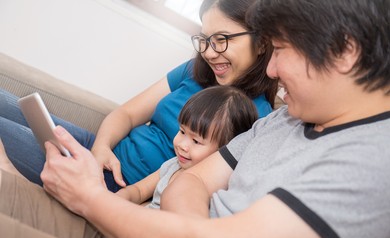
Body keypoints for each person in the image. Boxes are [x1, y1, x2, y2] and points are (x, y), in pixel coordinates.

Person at [1, 0, 389, 238]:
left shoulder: (372, 164)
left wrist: (91, 197)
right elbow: (190, 182)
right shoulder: (284, 119)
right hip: (143, 231)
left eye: (282, 50)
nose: (273, 70)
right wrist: (186, 236)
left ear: (345, 51)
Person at [0, 0, 278, 192]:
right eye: (204, 39)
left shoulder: (258, 119)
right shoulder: (195, 71)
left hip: (118, 181)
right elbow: (127, 113)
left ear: (262, 41)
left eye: (221, 39)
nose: (208, 51)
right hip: (100, 149)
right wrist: (101, 149)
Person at [116, 85, 259, 208]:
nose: (182, 145)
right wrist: (122, 196)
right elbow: (139, 190)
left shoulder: (210, 192)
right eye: (182, 131)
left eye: (196, 141)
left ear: (224, 151)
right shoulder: (174, 165)